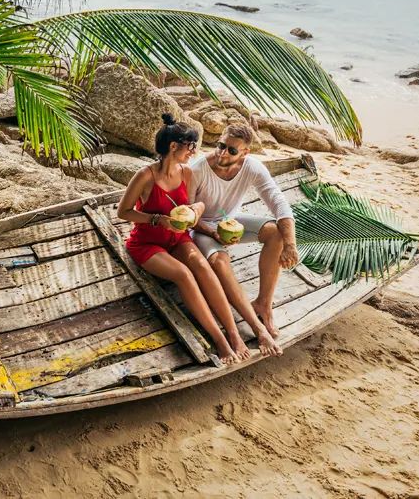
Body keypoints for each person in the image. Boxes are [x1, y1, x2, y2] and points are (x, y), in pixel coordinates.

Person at [117, 114, 281, 364]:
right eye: (190, 147)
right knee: (184, 274)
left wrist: (195, 212)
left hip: (178, 238)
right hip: (148, 244)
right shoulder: (145, 176)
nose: (194, 152)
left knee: (204, 267)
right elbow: (123, 212)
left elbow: (198, 204)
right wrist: (157, 220)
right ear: (174, 147)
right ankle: (221, 340)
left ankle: (235, 333)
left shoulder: (185, 173)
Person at [188, 123, 299, 340]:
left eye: (231, 150)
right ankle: (243, 323)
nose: (222, 152)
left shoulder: (252, 167)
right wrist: (212, 233)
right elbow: (189, 216)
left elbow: (279, 203)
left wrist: (290, 245)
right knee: (220, 262)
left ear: (245, 153)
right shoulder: (197, 170)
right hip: (202, 228)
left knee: (275, 233)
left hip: (231, 221)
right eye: (221, 145)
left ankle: (263, 303)